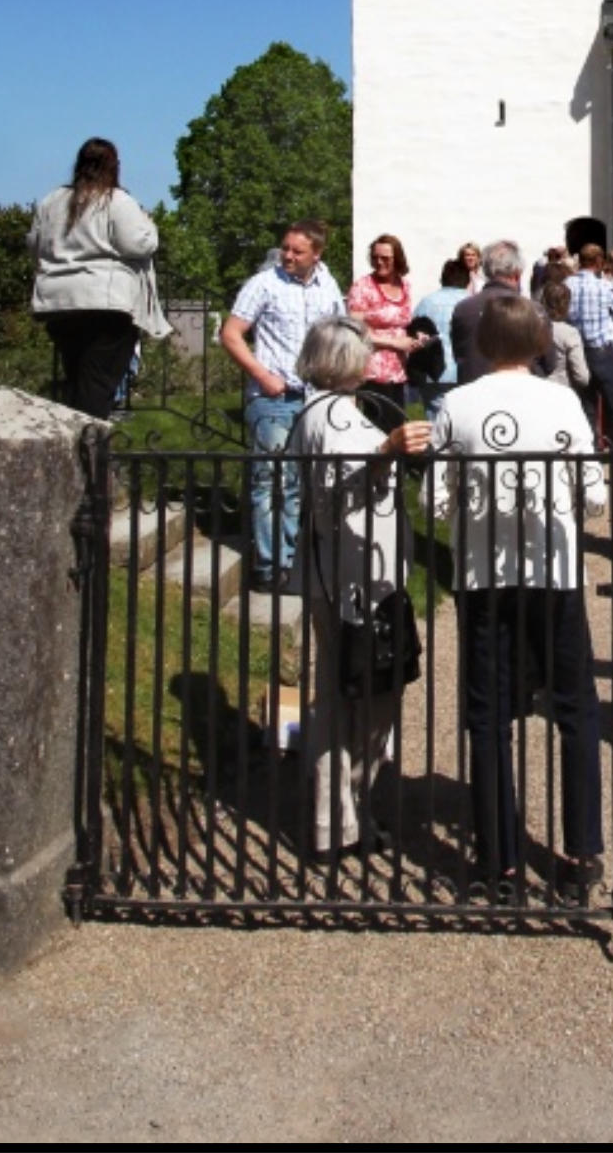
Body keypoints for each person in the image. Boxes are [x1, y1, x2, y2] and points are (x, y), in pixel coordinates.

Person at [431, 292, 607, 900]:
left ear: (482, 343)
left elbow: (434, 500)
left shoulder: (457, 404)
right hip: (552, 569)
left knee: (488, 716)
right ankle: (581, 854)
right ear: (538, 344)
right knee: (575, 710)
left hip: (484, 572)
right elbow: (595, 494)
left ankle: (499, 863)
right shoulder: (561, 401)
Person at [289, 317, 432, 857]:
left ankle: (342, 816)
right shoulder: (333, 416)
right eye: (365, 352)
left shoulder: (321, 410)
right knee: (369, 697)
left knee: (340, 691)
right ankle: (342, 813)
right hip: (356, 577)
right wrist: (386, 451)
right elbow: (338, 485)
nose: (371, 360)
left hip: (342, 570)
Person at [219, 221, 344, 592]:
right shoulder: (264, 284)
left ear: (316, 254)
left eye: (297, 251)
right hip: (274, 397)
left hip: (315, 397)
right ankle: (270, 565)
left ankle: (293, 558)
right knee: (272, 480)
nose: (288, 256)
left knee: (300, 483)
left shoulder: (327, 285)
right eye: (285, 248)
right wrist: (262, 375)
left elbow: (341, 332)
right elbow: (231, 334)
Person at [30, 138, 170, 421]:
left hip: (59, 301)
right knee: (98, 385)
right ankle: (90, 441)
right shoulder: (116, 200)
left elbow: (35, 244)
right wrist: (150, 226)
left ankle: (76, 436)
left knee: (77, 377)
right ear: (114, 166)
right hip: (105, 301)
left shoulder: (51, 202)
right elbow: (137, 244)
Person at [450, 238, 552, 385]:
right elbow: (549, 362)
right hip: (520, 390)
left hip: (473, 390)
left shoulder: (463, 309)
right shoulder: (535, 311)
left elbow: (459, 355)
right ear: (517, 274)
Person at [346, 234, 421, 415]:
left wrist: (415, 337)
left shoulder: (404, 286)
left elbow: (403, 323)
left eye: (385, 258)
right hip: (372, 371)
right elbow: (355, 331)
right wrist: (394, 343)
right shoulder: (362, 287)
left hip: (398, 371)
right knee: (376, 425)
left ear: (397, 259)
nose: (379, 262)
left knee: (397, 424)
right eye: (375, 257)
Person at [566, 241, 613, 433]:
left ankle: (591, 447)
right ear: (598, 261)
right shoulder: (603, 286)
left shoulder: (567, 284)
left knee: (586, 405)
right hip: (602, 352)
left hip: (577, 350)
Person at [411, 256, 470, 410]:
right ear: (467, 280)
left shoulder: (427, 302)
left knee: (435, 419)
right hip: (465, 371)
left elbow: (414, 331)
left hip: (435, 371)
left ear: (442, 279)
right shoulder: (472, 302)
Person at [540, 277, 592, 406]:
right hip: (562, 393)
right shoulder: (569, 333)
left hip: (537, 389)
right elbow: (582, 377)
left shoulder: (532, 327)